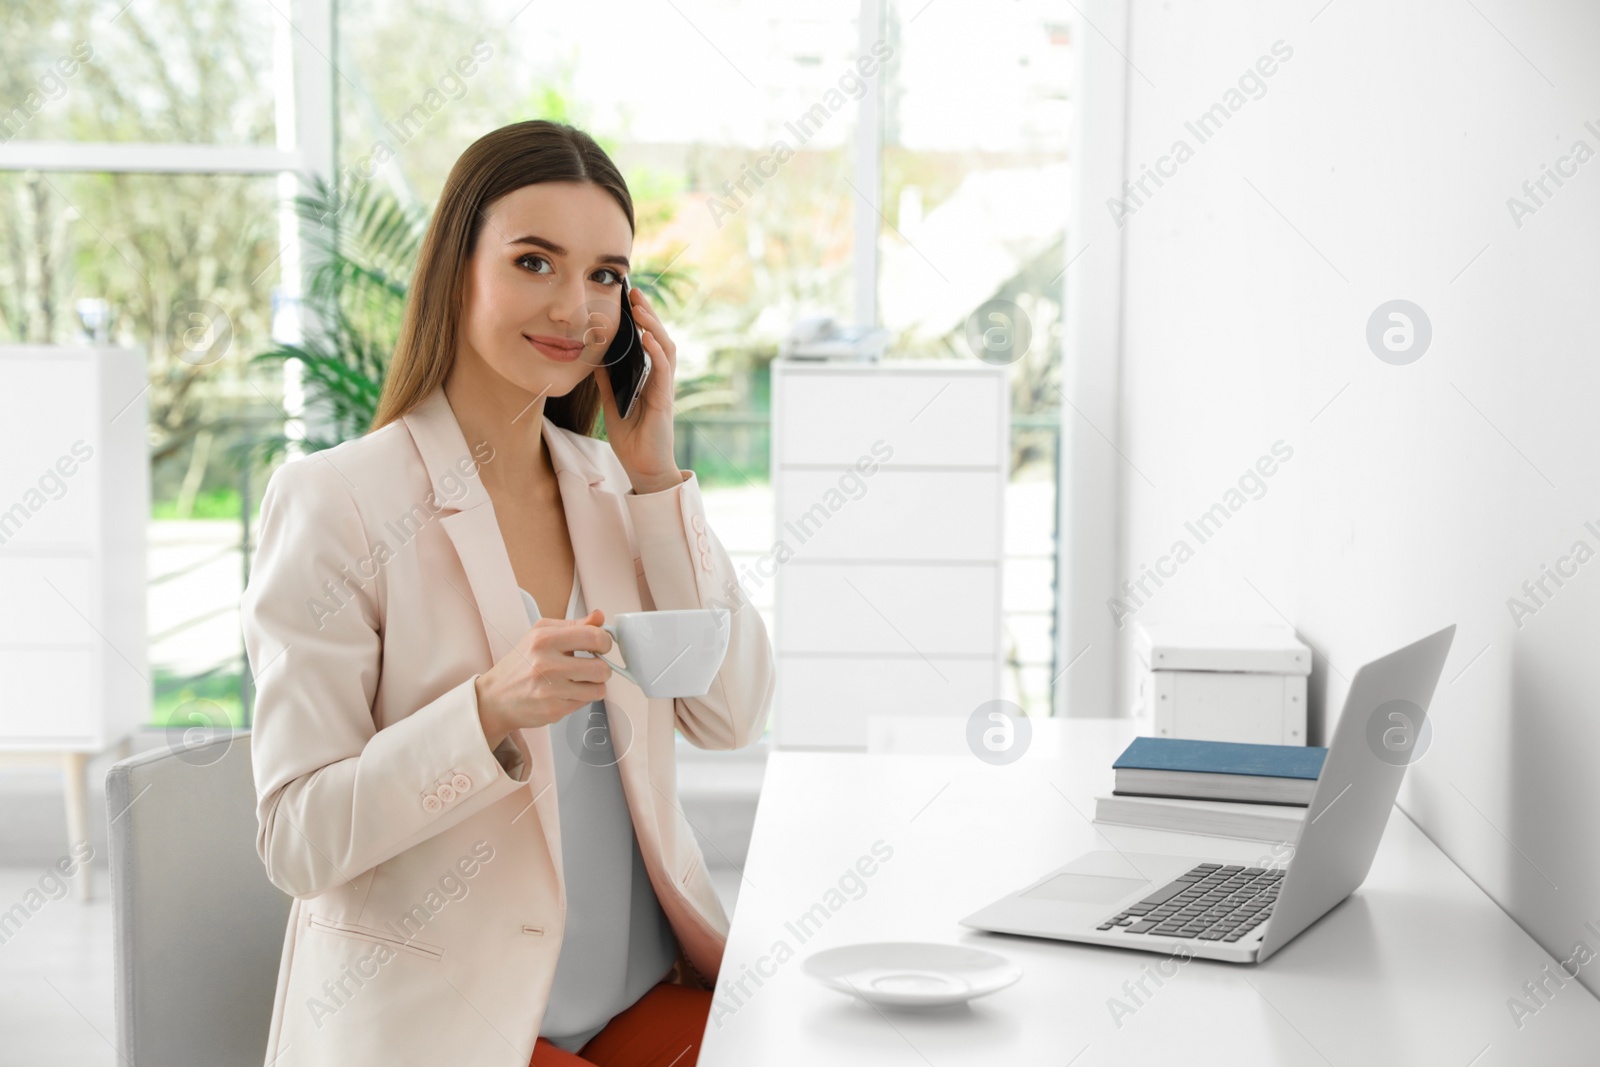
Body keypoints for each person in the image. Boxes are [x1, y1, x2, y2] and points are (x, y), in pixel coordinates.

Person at [240, 119, 775, 1067]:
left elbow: (730, 713)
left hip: (643, 1008)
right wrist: (485, 709)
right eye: (536, 262)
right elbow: (298, 840)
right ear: (457, 268)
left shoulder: (617, 491)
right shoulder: (338, 502)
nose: (577, 307)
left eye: (606, 274)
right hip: (461, 1028)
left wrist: (656, 477)